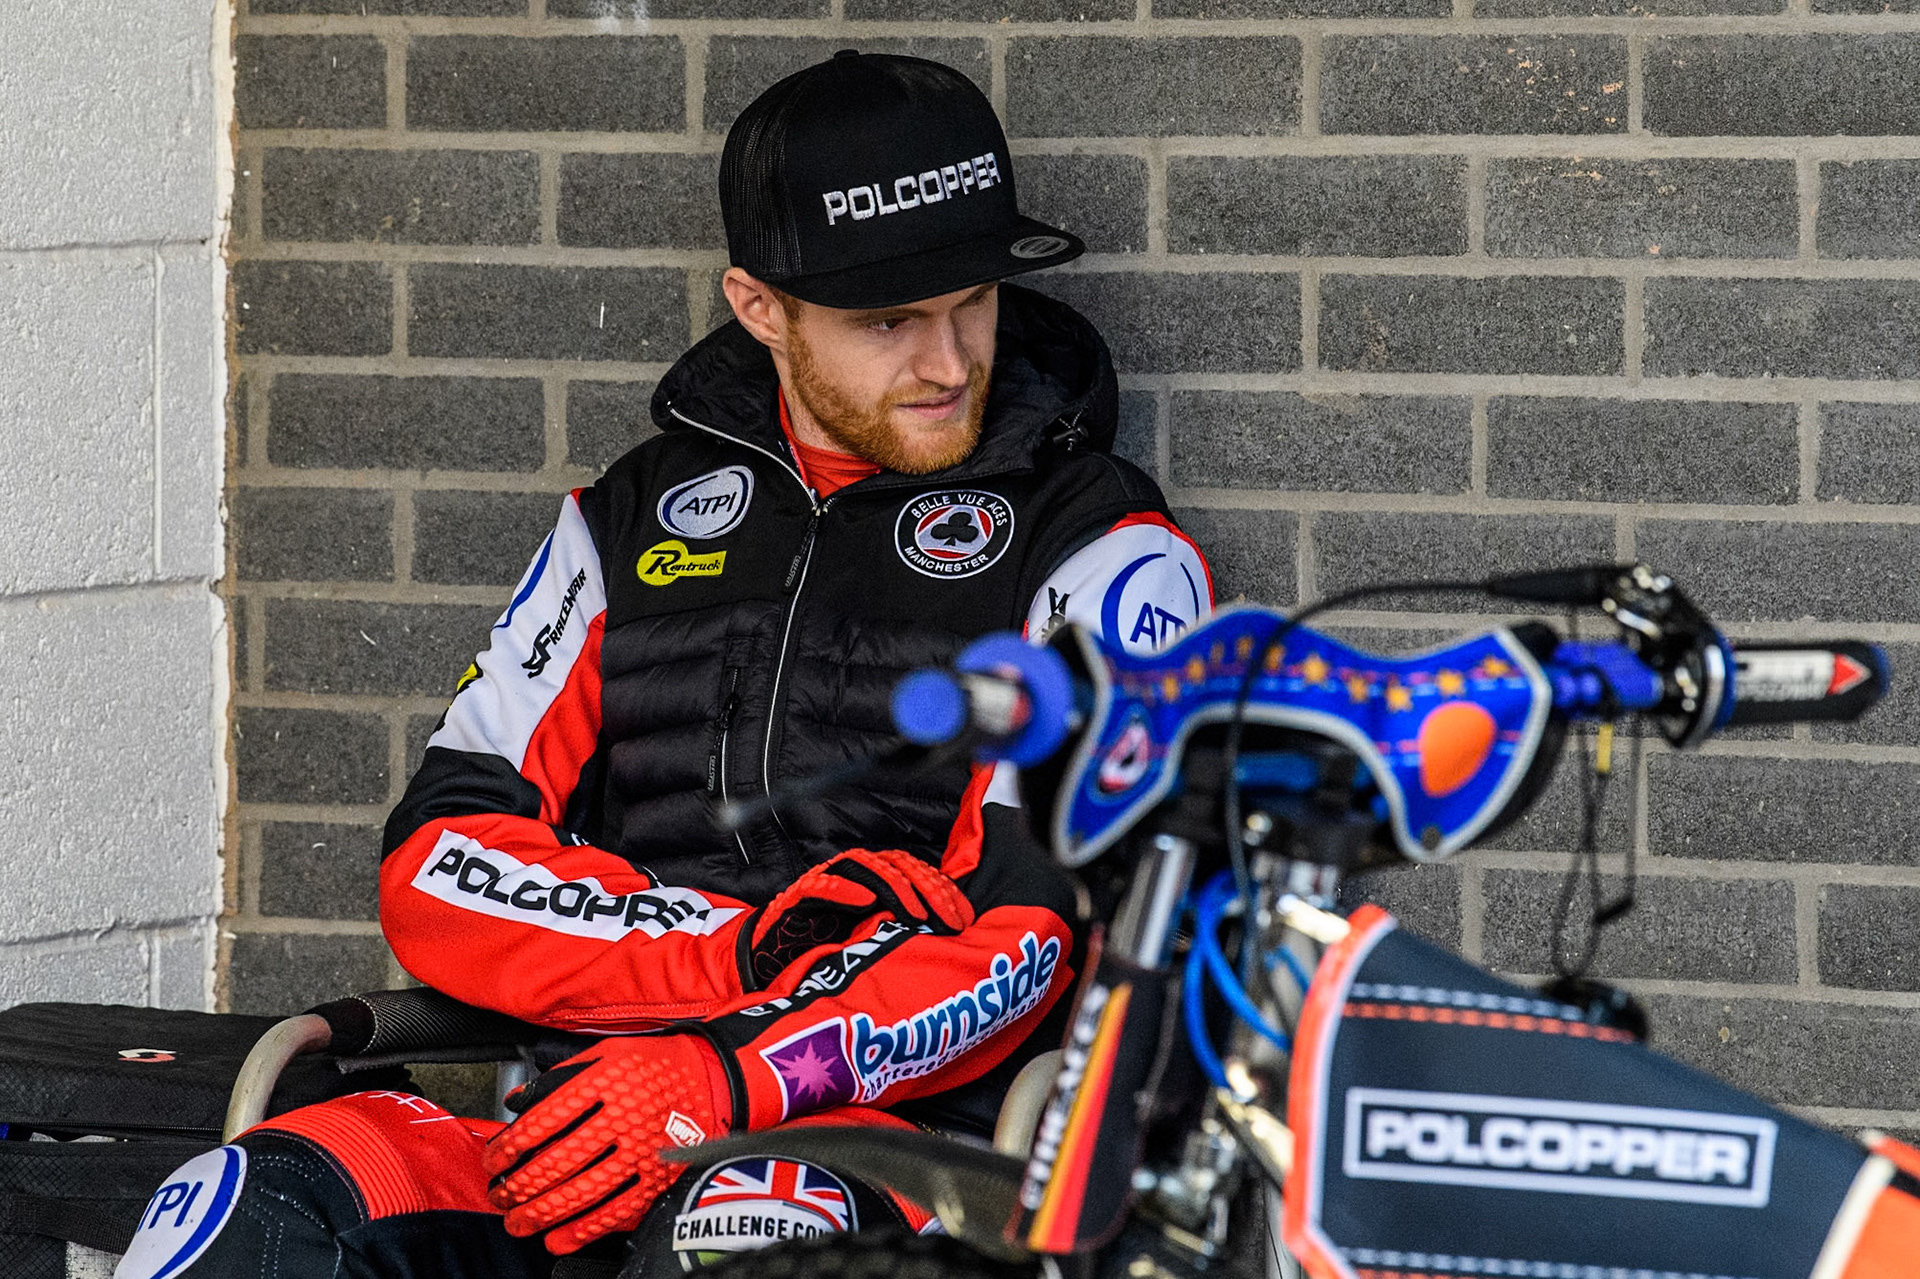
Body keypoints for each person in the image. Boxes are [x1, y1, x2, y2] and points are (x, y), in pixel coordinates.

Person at [119, 50, 1211, 1279]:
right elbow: (436, 862)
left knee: (740, 1223)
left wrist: (733, 1072)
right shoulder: (629, 519)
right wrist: (732, 958)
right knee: (248, 1205)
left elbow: (1032, 935)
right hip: (588, 1119)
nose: (951, 362)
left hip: (898, 1146)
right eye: (888, 321)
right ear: (761, 308)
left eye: (973, 303)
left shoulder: (1102, 545)